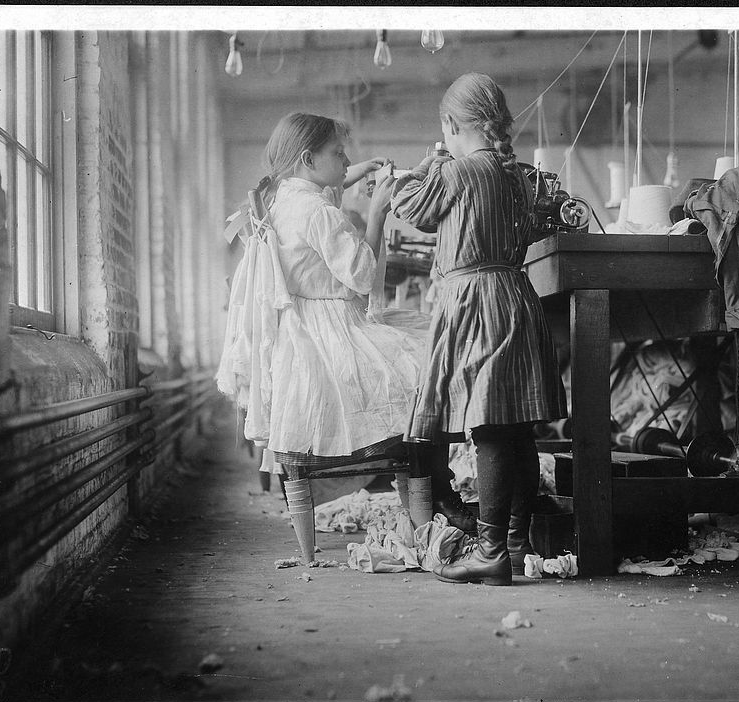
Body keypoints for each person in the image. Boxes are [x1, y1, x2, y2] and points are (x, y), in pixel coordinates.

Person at [216, 112, 473, 530]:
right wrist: (377, 213)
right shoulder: (319, 212)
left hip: (301, 333)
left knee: (422, 353)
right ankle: (438, 492)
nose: (346, 159)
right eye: (338, 154)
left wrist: (356, 172)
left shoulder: (283, 198)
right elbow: (364, 277)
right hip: (332, 336)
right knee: (427, 364)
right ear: (308, 159)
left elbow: (325, 190)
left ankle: (434, 490)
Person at [391, 73, 568, 586]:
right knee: (516, 431)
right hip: (516, 294)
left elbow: (410, 210)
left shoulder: (460, 171)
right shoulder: (518, 175)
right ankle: (513, 546)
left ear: (450, 124)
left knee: (490, 427)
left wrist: (425, 166)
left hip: (477, 301)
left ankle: (490, 552)